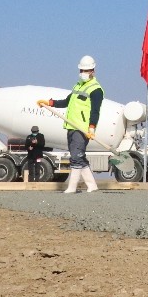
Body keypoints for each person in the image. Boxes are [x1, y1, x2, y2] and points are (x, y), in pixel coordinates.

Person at [37, 55, 104, 193]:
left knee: (75, 157)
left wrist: (92, 128)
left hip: (82, 128)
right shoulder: (78, 85)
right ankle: (92, 185)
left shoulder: (96, 89)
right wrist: (49, 103)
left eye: (86, 71)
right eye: (81, 70)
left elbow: (95, 111)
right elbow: (67, 102)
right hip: (71, 126)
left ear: (93, 71)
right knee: (78, 156)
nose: (83, 73)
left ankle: (72, 187)